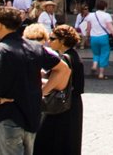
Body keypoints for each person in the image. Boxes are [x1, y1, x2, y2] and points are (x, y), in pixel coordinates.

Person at [0, 6, 70, 155]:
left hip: (8, 117)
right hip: (31, 116)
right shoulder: (34, 47)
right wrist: (44, 91)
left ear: (1, 25)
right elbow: (63, 69)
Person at [35, 25, 85, 155]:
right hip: (73, 102)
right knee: (68, 140)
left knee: (51, 139)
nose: (49, 41)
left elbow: (60, 84)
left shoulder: (65, 59)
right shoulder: (74, 56)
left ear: (62, 41)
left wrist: (42, 87)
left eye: (52, 38)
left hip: (62, 102)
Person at [79, 1, 113, 79]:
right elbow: (110, 28)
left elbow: (88, 28)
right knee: (104, 54)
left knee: (96, 53)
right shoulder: (107, 15)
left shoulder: (91, 15)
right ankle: (101, 73)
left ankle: (94, 65)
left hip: (93, 37)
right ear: (105, 7)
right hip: (103, 37)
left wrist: (87, 37)